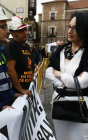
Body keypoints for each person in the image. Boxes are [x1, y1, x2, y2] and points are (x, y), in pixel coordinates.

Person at [45, 11, 88, 140]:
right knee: (61, 137)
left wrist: (59, 74)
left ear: (84, 29)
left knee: (80, 138)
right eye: (69, 26)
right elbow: (47, 72)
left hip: (81, 104)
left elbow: (83, 83)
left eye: (75, 28)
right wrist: (61, 84)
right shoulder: (61, 49)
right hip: (59, 100)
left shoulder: (86, 53)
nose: (70, 31)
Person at [5, 16, 33, 97]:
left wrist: (31, 78)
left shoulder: (27, 46)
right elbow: (10, 70)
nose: (25, 33)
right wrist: (20, 90)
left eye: (25, 29)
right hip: (18, 92)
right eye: (21, 31)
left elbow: (28, 65)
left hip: (27, 89)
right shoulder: (11, 46)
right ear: (13, 34)